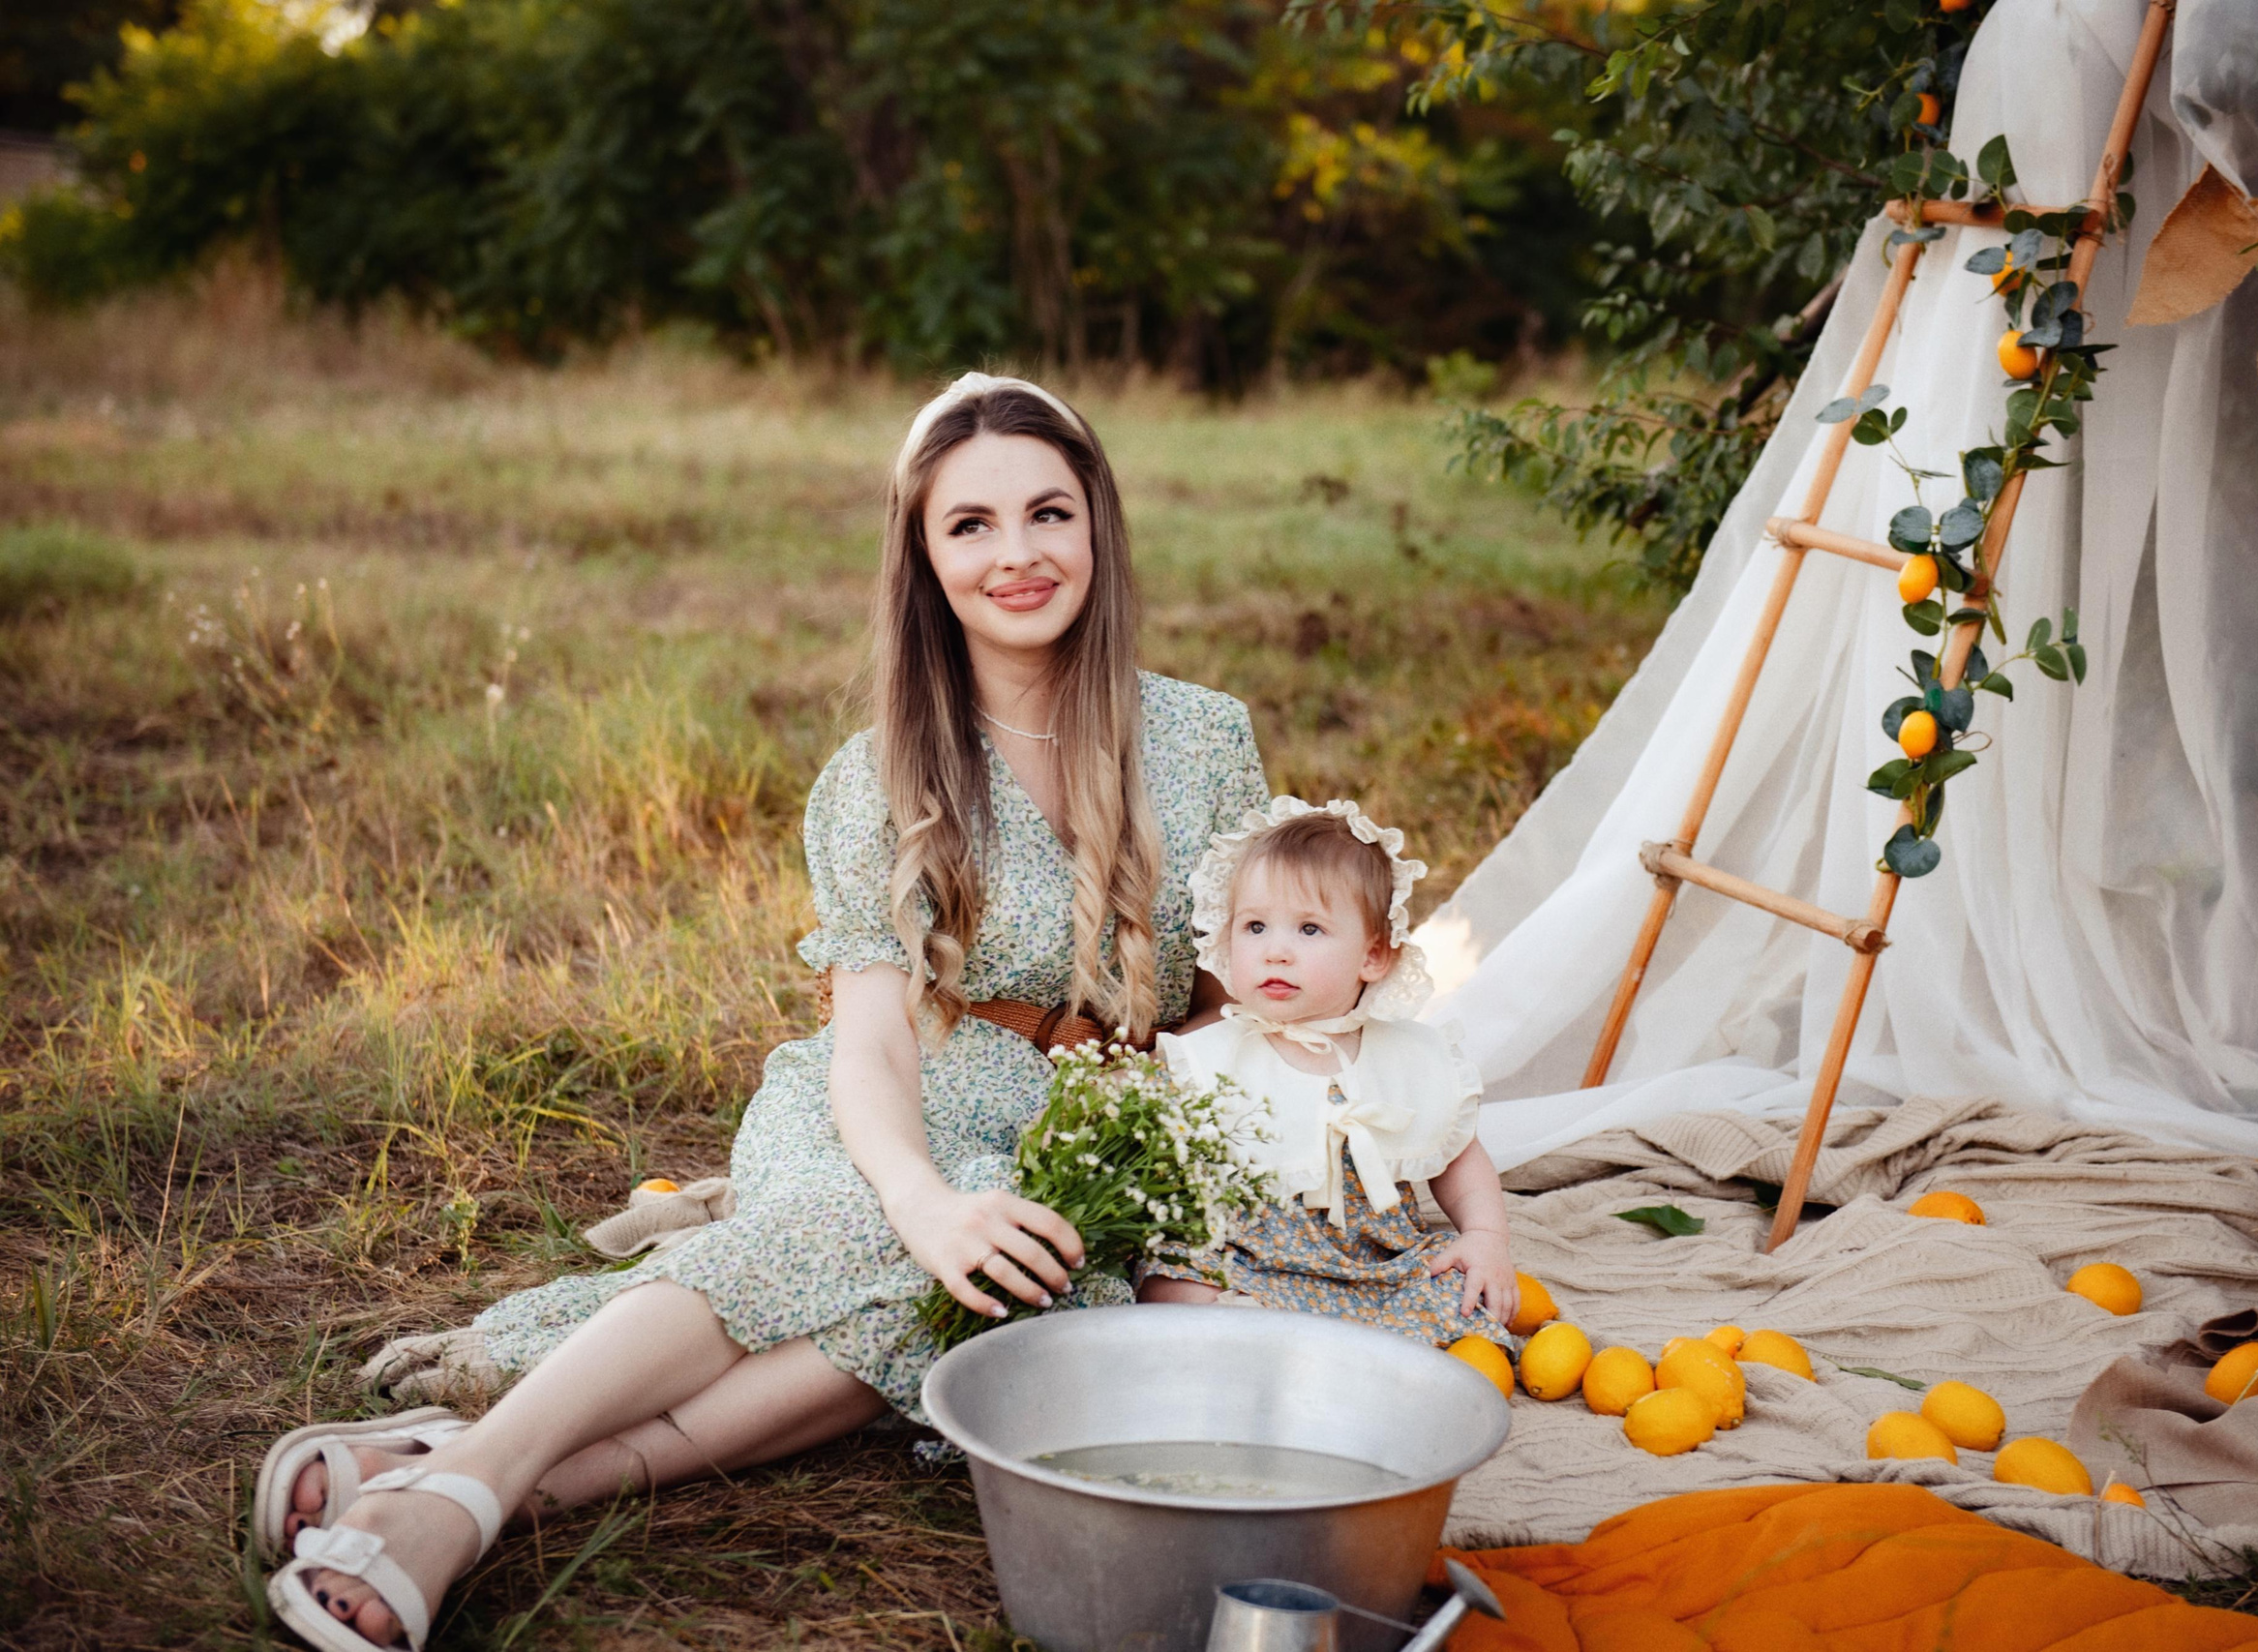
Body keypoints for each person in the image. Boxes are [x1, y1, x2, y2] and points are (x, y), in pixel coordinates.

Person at [259, 374, 1268, 1652]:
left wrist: (1176, 1156)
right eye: (970, 524)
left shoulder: (1205, 738)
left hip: (1092, 1128)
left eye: (1047, 512)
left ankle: (465, 1478)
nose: (1016, 553)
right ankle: (472, 1484)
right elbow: (873, 1039)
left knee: (1007, 1287)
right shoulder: (880, 773)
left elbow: (1232, 1001)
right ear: (922, 556)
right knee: (911, 1244)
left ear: (1097, 524)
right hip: (900, 1108)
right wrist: (922, 1198)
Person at [1139, 798, 1518, 1347]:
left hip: (1374, 1264)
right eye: (1255, 927)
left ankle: (1340, 1347)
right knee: (1171, 1285)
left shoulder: (1405, 1054)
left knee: (1460, 1297)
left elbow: (1459, 1156)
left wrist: (1485, 1236)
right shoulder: (1209, 1056)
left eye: (1309, 929)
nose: (1276, 952)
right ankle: (1256, 1339)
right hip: (1249, 1260)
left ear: (1373, 956)